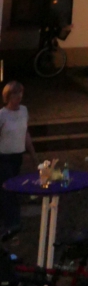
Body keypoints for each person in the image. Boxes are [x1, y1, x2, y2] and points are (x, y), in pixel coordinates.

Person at [0, 81, 37, 237]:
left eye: (20, 93)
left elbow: (25, 134)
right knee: (8, 189)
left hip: (17, 156)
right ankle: (12, 223)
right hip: (3, 157)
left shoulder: (23, 111)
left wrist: (34, 155)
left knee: (12, 187)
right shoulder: (2, 115)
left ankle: (10, 220)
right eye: (15, 94)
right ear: (8, 96)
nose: (18, 97)